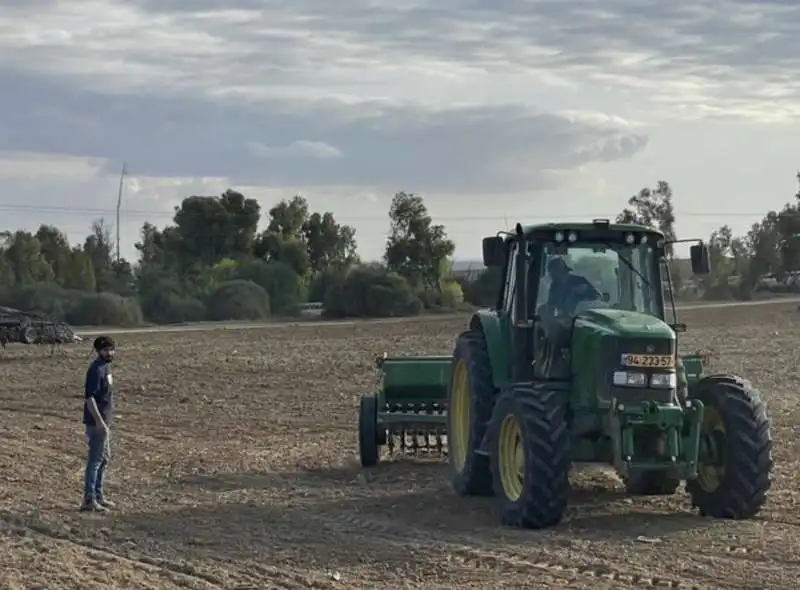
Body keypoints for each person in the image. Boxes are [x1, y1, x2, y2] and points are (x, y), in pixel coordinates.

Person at [81, 335, 116, 512]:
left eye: (111, 349)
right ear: (98, 351)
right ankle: (89, 499)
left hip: (104, 422)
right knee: (95, 460)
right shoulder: (96, 369)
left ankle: (98, 495)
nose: (109, 353)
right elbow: (90, 398)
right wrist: (100, 422)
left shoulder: (106, 367)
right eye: (105, 350)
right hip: (97, 423)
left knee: (104, 459)